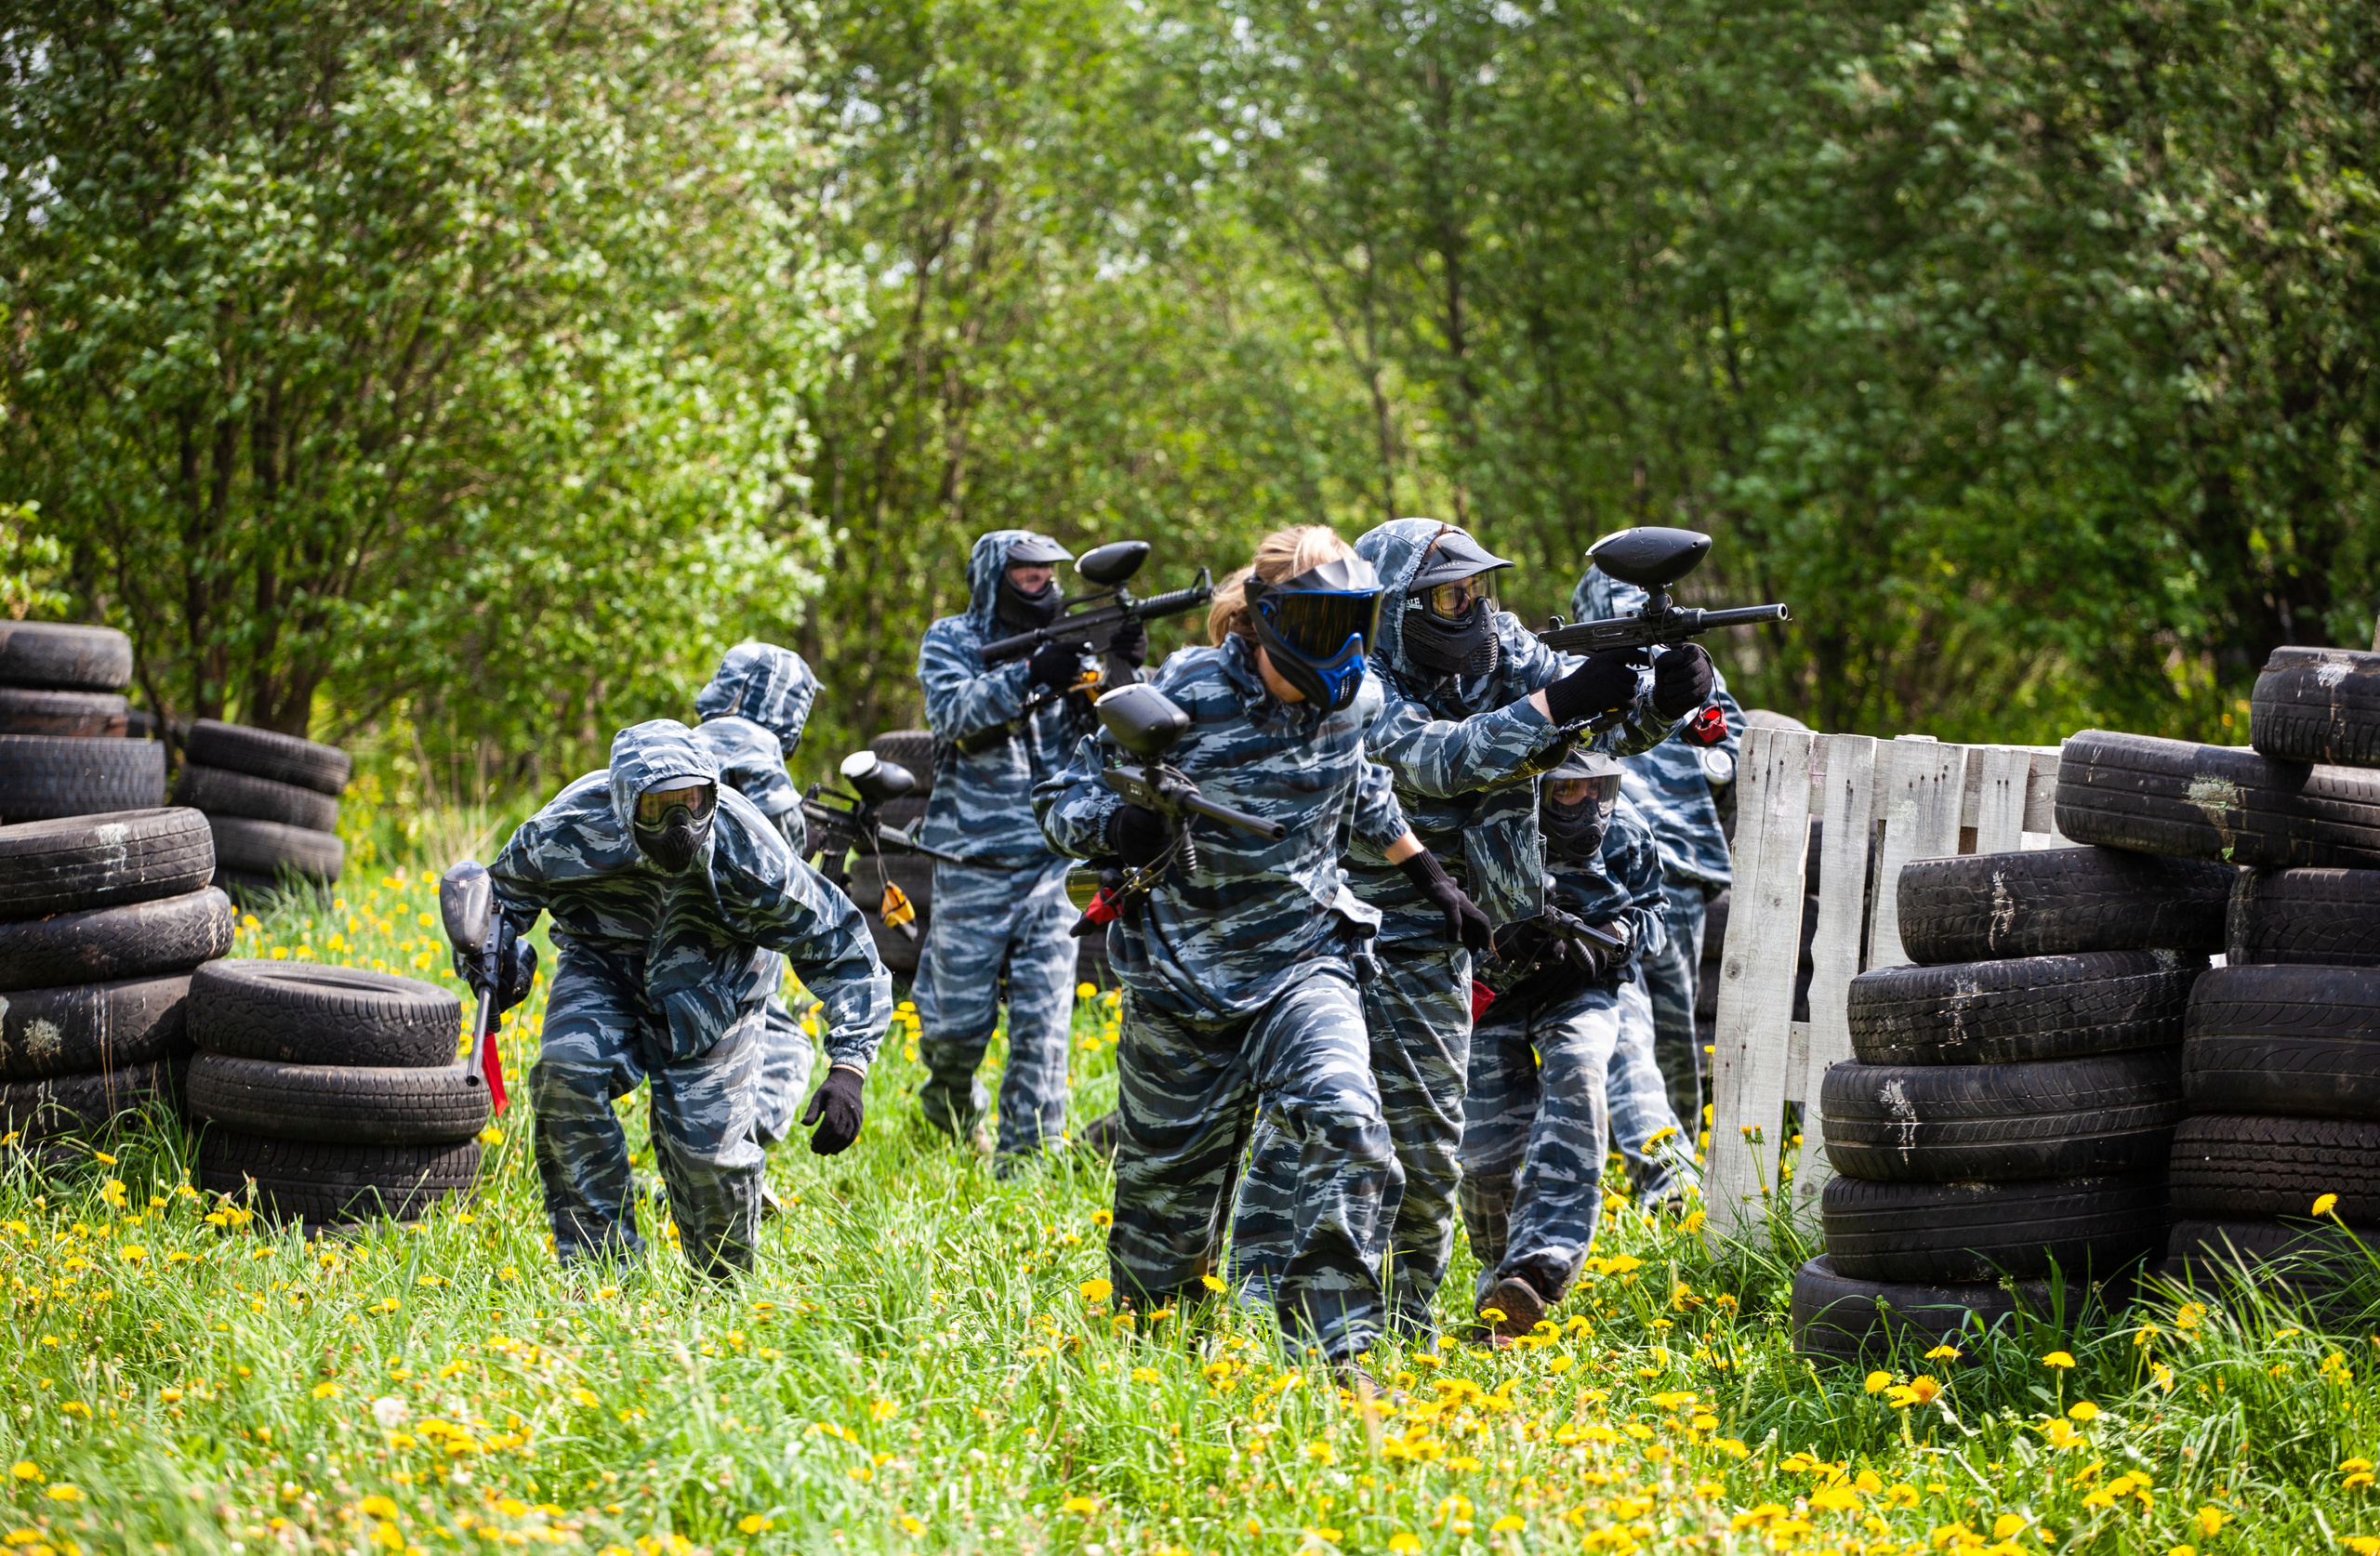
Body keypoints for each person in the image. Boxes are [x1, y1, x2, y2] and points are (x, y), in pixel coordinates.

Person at [1227, 520, 1707, 1340]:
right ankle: (1254, 1301)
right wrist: (1566, 698)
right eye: (1449, 593)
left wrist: (1657, 701)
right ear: (1401, 603)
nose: (1470, 606)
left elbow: (1583, 737)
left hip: (1449, 930)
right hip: (1343, 923)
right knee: (1309, 1118)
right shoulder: (1356, 669)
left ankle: (1401, 1323)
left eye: (1477, 588)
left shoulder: (1501, 647)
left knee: (1427, 1139)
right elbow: (1435, 758)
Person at [1036, 525, 1488, 1381]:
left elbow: (1364, 785)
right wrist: (1120, 826)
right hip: (1182, 986)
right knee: (1161, 1238)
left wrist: (1428, 876)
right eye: (1324, 627)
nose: (1344, 649)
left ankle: (1334, 1355)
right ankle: (1156, 1384)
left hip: (1303, 968)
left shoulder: (1351, 702)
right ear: (1269, 620)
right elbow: (1062, 800)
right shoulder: (1187, 695)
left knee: (1354, 1128)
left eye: (1357, 624)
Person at [484, 720, 892, 1277]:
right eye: (659, 809)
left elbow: (842, 944)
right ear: (624, 801)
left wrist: (849, 1068)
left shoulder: (748, 850)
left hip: (716, 994)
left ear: (713, 794)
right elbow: (497, 902)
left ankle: (722, 1295)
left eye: (693, 803)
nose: (680, 825)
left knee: (710, 1160)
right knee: (567, 1072)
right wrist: (502, 966)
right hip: (604, 973)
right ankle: (599, 1272)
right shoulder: (569, 826)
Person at [915, 531, 1137, 1170]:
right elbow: (951, 713)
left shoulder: (1072, 641)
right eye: (1027, 574)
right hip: (972, 862)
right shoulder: (951, 639)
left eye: (1049, 574)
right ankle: (953, 1112)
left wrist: (1120, 669)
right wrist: (1028, 675)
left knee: (1043, 1030)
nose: (1042, 583)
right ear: (995, 575)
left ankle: (1026, 1164)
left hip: (1050, 862)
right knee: (953, 1031)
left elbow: (1116, 731)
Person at [1459, 750, 1670, 1340]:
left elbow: (1655, 910)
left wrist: (1618, 938)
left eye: (1595, 789)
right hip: (1494, 995)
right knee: (1482, 1158)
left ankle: (1538, 1269)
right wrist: (1499, 936)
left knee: (1578, 1078)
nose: (1585, 805)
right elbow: (1435, 908)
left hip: (1581, 992)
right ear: (1535, 790)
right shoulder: (1488, 825)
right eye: (1566, 793)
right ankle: (1500, 1279)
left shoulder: (1625, 830)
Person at [1568, 565, 1743, 1136]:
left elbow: (1732, 752)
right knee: (1626, 1026)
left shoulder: (1689, 677)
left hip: (1679, 875)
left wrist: (1695, 713)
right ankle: (1667, 1171)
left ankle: (1681, 1156)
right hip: (1609, 875)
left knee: (1672, 1033)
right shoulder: (1577, 678)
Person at [692, 641, 825, 1149]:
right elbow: (781, 869)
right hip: (720, 955)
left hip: (643, 938)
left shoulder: (684, 741)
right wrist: (807, 845)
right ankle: (732, 1153)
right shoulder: (754, 745)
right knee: (789, 1048)